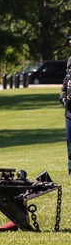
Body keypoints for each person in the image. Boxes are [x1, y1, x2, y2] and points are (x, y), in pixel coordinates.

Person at [59, 35, 71, 175]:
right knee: (70, 144)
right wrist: (63, 97)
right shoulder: (70, 61)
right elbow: (65, 82)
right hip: (69, 109)